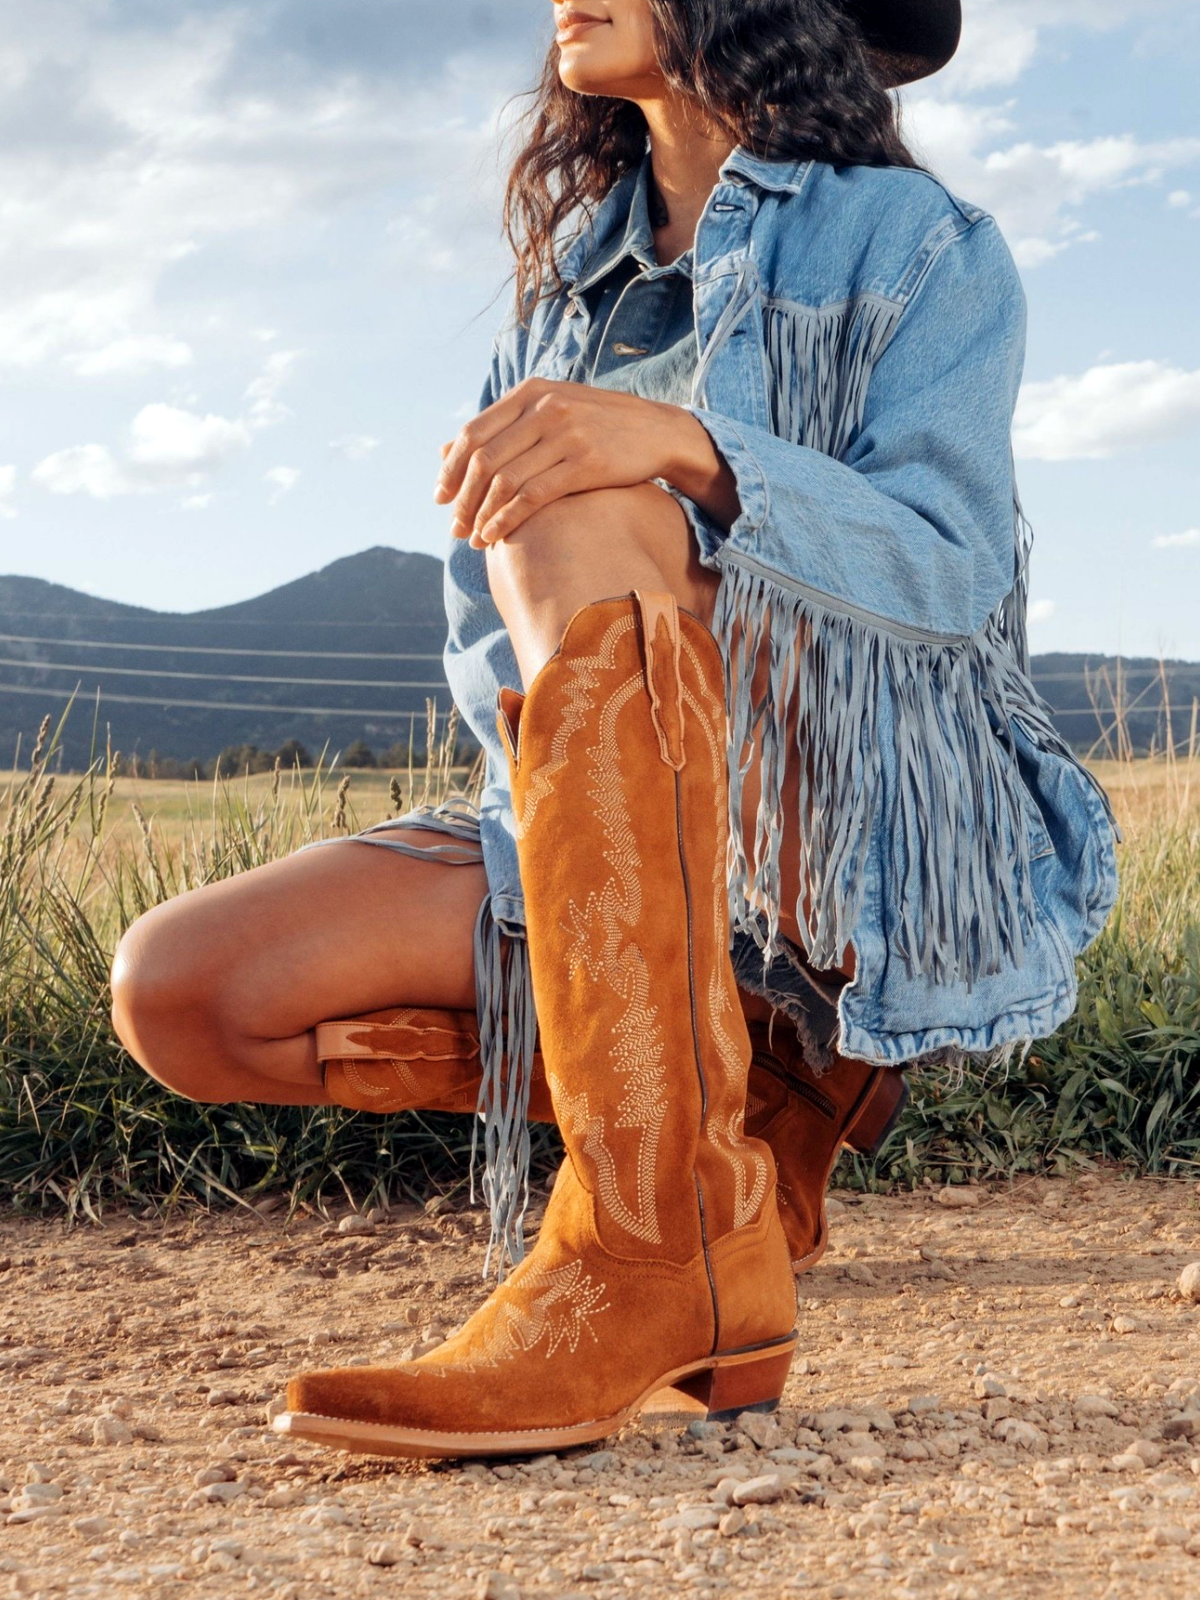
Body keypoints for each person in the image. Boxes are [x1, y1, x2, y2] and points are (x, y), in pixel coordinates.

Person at [108, 0, 1121, 1461]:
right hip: (610, 828)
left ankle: (647, 1250)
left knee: (584, 493)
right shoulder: (564, 291)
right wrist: (547, 857)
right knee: (188, 992)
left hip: (844, 808)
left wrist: (695, 457)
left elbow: (953, 560)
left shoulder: (915, 244)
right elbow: (492, 636)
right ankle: (736, 1118)